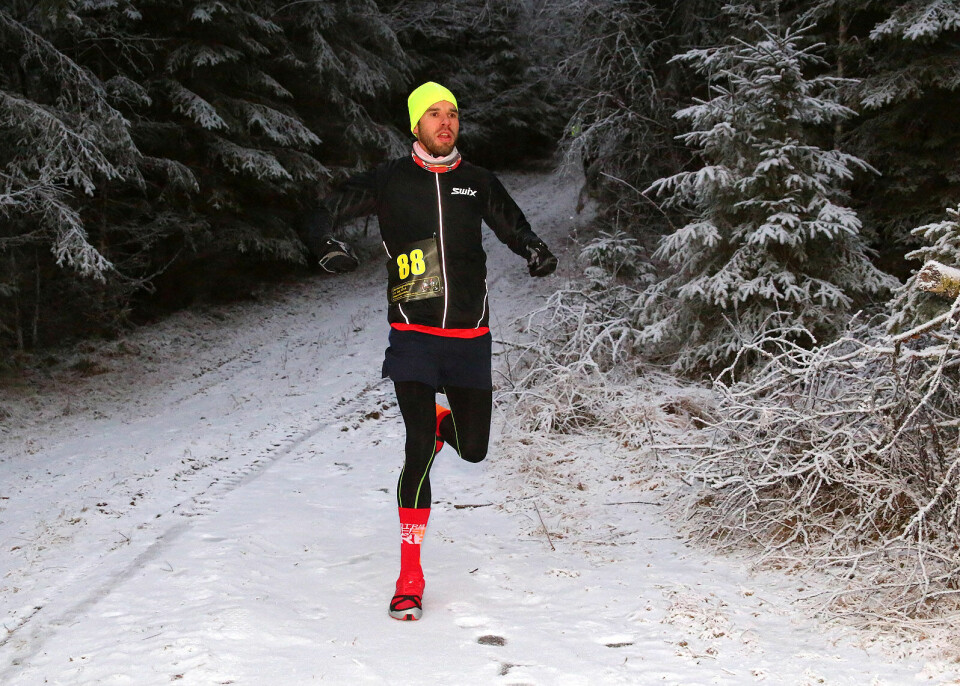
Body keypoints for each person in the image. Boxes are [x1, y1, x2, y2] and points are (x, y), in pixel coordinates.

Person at [305, 82, 558, 621]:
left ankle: (450, 426)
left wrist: (534, 248)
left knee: (473, 451)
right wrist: (325, 243)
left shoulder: (476, 181)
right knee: (417, 446)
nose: (445, 123)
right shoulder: (389, 180)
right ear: (415, 125)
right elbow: (321, 207)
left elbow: (516, 226)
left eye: (452, 114)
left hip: (469, 337)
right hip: (414, 336)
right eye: (434, 114)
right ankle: (410, 575)